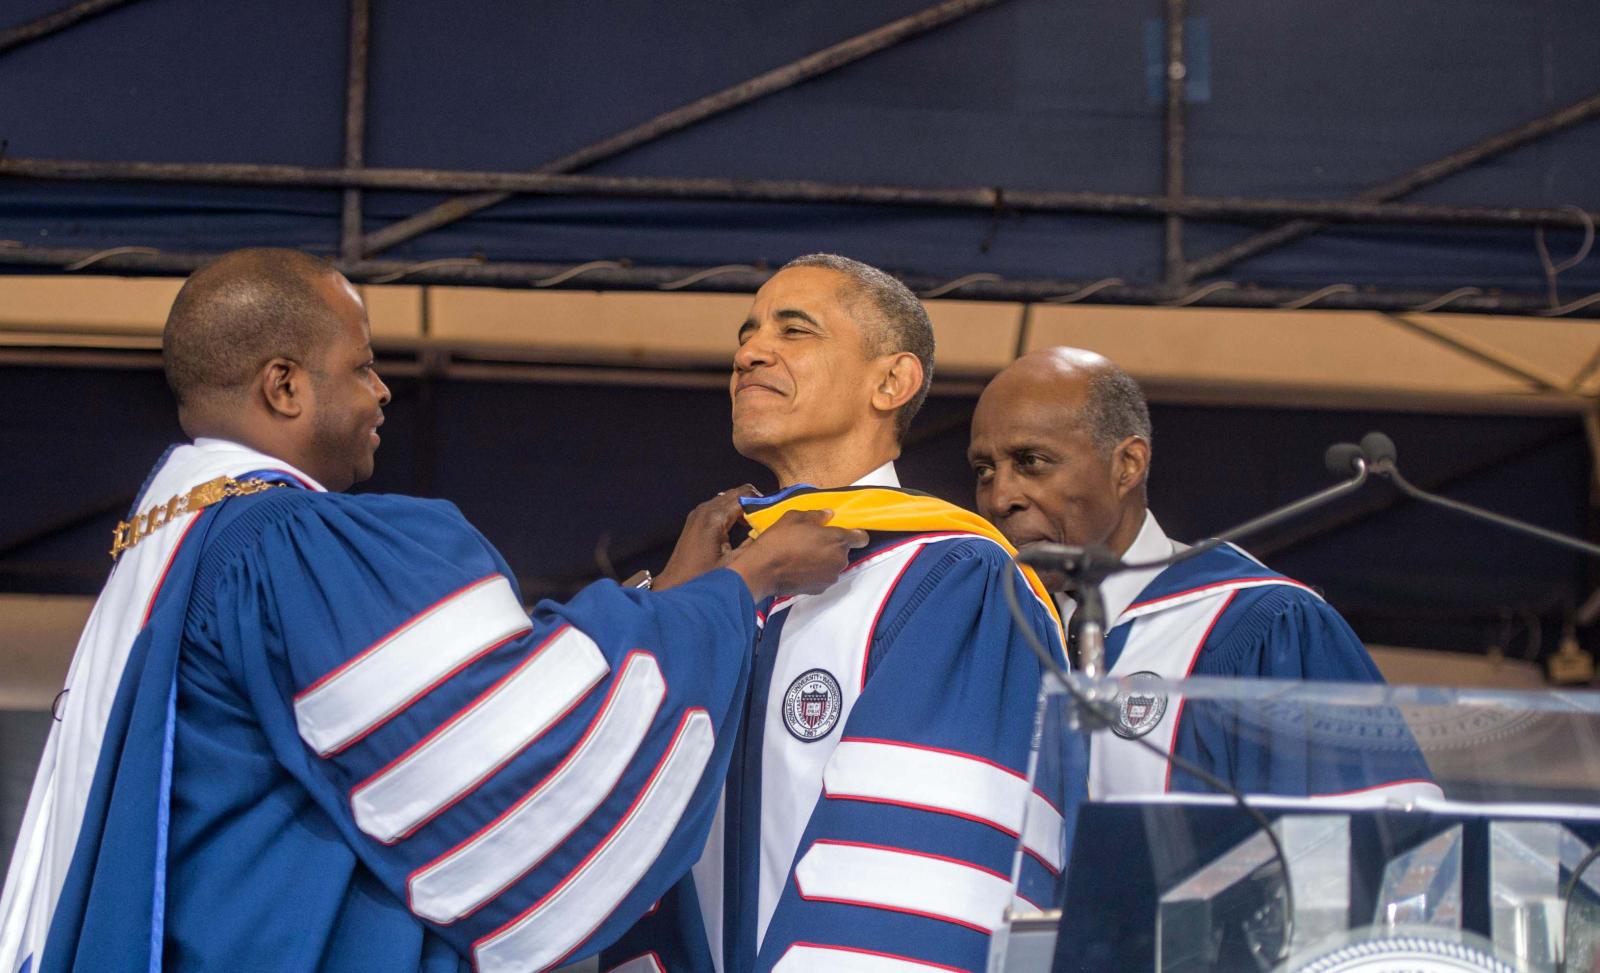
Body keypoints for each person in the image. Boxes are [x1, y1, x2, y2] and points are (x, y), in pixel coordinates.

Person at [0, 249, 869, 973]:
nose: (384, 391)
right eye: (362, 366)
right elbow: (506, 741)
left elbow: (442, 703)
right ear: (284, 387)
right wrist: (739, 586)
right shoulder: (287, 546)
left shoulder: (176, 542)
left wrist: (673, 600)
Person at [604, 255, 1070, 973]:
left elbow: (923, 881)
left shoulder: (952, 580)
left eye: (794, 331)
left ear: (892, 382)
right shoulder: (718, 582)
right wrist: (669, 607)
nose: (749, 353)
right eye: (747, 334)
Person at [967, 347, 1440, 803]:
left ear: (1127, 466)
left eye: (1031, 462)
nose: (1000, 497)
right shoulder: (991, 634)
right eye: (985, 470)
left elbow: (1370, 839)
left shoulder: (1260, 624)